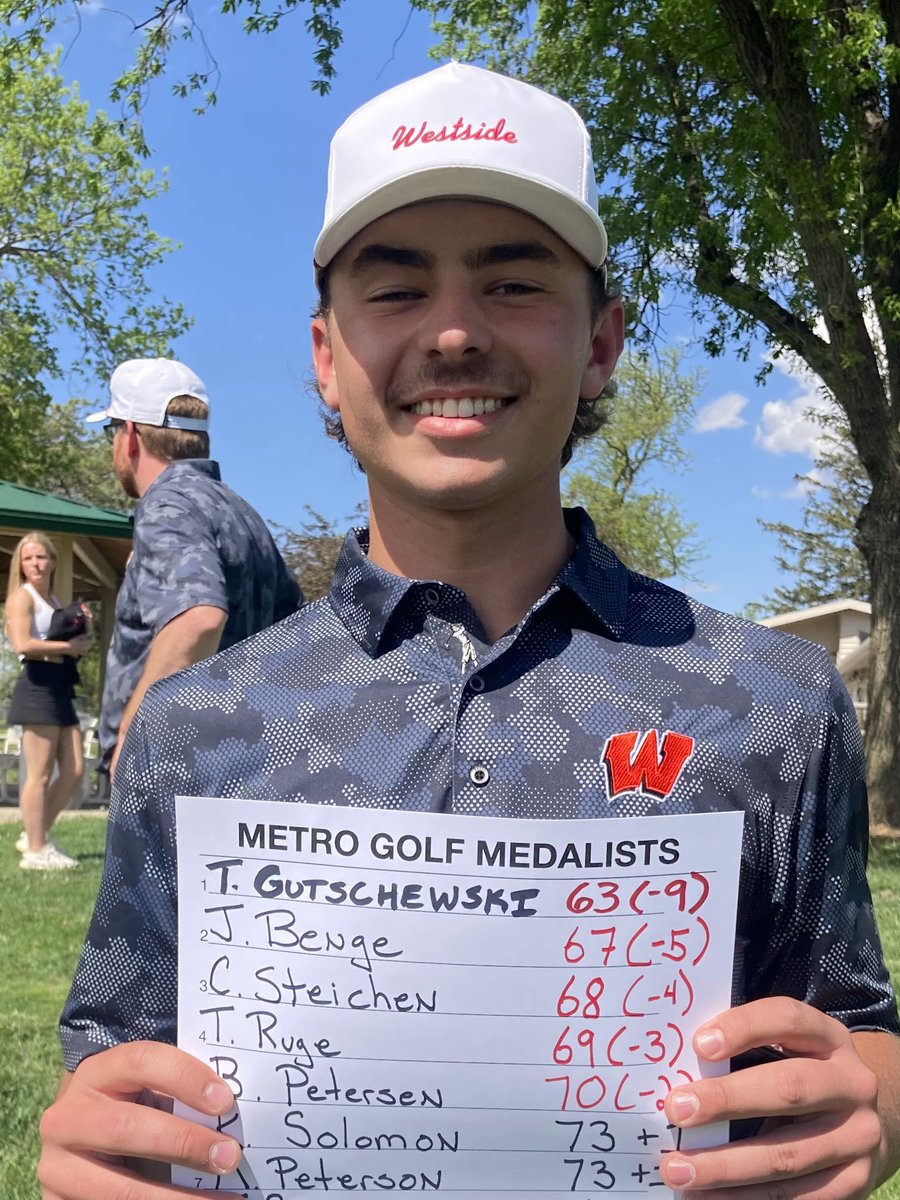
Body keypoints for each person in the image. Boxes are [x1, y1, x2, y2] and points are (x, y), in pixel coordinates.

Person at [41, 63, 900, 1199]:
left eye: (514, 284)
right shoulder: (195, 730)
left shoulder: (776, 703)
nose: (452, 333)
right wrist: (96, 1145)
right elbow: (115, 1067)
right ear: (327, 358)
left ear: (601, 343)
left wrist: (873, 1108)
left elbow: (858, 1025)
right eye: (397, 289)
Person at [83, 356, 303, 775]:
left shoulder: (167, 506)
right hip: (241, 763)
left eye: (113, 431)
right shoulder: (242, 513)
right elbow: (293, 631)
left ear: (130, 435)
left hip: (177, 768)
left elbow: (197, 619)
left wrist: (133, 736)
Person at [4, 532, 91, 870]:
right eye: (28, 559)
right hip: (37, 685)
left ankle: (34, 835)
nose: (36, 564)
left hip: (60, 684)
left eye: (41, 557)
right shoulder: (21, 597)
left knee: (74, 769)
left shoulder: (53, 599)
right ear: (21, 565)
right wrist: (68, 647)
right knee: (38, 775)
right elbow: (22, 644)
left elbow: (62, 640)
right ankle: (37, 851)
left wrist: (81, 629)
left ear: (53, 561)